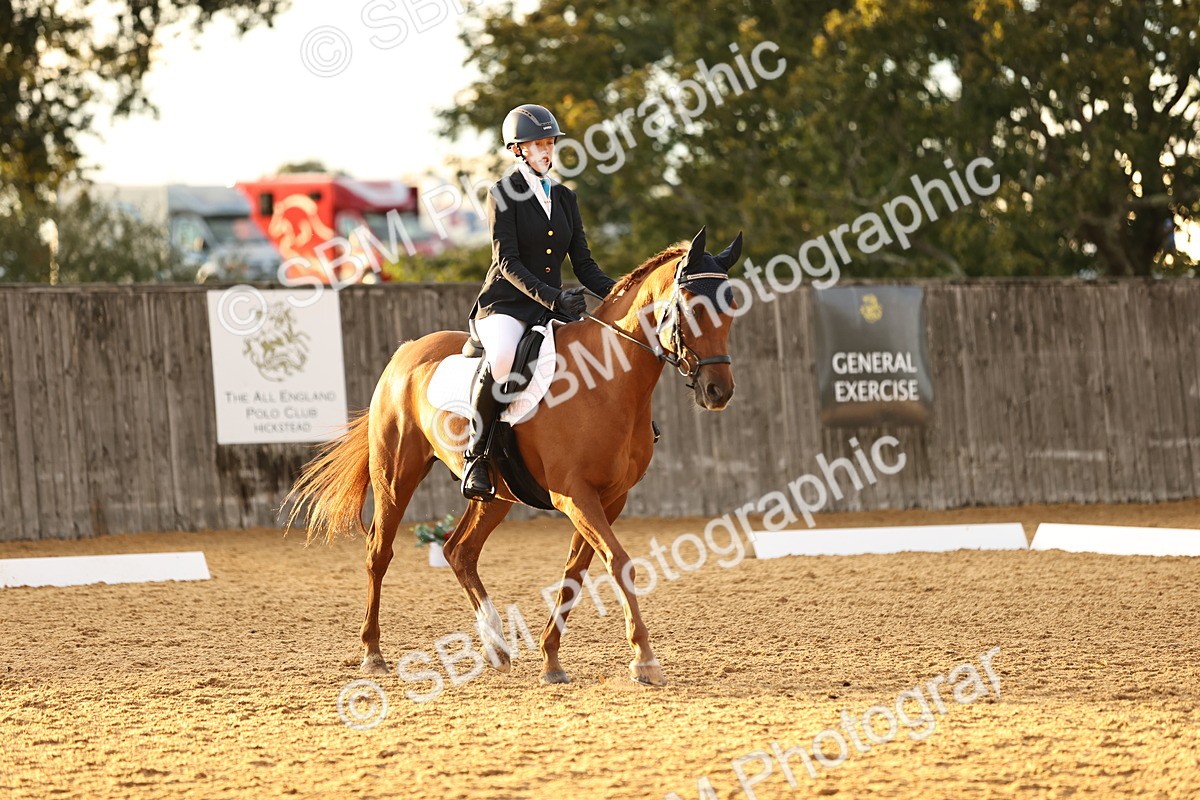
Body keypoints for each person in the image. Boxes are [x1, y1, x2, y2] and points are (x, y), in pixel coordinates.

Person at [461, 103, 617, 501]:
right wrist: (554, 297)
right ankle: (476, 456)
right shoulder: (502, 194)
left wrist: (622, 294)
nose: (547, 151)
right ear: (517, 150)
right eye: (537, 145)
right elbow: (507, 261)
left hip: (552, 306)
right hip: (506, 305)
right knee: (501, 360)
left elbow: (583, 264)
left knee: (596, 351)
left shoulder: (565, 198)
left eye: (549, 143)